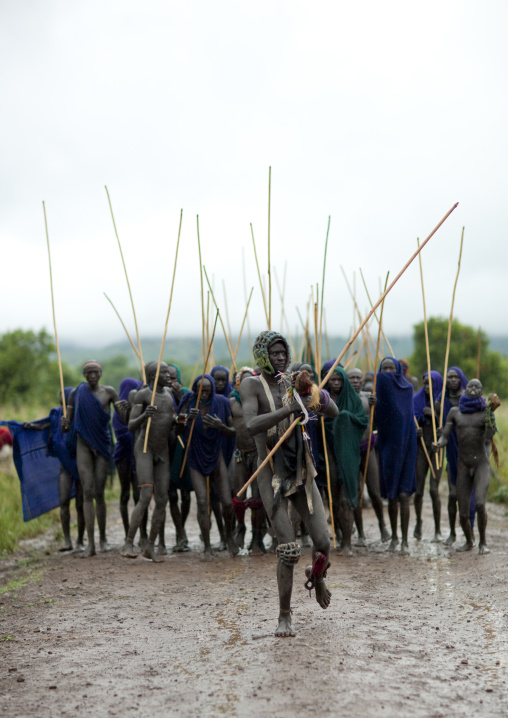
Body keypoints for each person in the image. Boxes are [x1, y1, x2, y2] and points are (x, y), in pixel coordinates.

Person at [240, 331, 338, 637]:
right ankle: (284, 615)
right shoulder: (251, 384)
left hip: (301, 468)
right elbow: (251, 424)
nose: (281, 358)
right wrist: (288, 410)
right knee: (288, 550)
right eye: (275, 353)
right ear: (261, 356)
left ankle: (317, 576)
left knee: (322, 543)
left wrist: (312, 393)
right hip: (271, 473)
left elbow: (332, 412)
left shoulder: (292, 382)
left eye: (284, 352)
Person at [62, 361, 129, 557]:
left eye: (95, 372)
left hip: (102, 446)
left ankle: (103, 539)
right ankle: (90, 544)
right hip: (83, 445)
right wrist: (64, 422)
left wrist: (127, 408)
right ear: (84, 375)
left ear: (101, 373)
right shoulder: (76, 393)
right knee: (87, 492)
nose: (92, 375)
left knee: (99, 492)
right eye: (88, 372)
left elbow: (125, 419)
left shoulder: (109, 392)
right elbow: (68, 425)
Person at [433, 379, 499, 555]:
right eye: (471, 386)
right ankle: (469, 541)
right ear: (465, 389)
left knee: (479, 503)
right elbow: (445, 436)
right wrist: (438, 444)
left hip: (480, 464)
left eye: (478, 386)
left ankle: (483, 543)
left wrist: (491, 415)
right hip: (462, 463)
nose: (474, 389)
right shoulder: (455, 412)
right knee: (462, 512)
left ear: (481, 391)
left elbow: (489, 435)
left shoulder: (484, 413)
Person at [177, 374, 237, 559]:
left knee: (227, 502)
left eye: (207, 391)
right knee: (202, 502)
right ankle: (207, 545)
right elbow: (177, 430)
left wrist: (221, 426)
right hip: (195, 455)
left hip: (216, 454)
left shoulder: (222, 402)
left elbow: (233, 431)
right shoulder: (189, 401)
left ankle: (229, 537)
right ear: (195, 390)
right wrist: (184, 420)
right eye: (200, 391)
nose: (203, 395)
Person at [120, 362, 175, 562]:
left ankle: (150, 546)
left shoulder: (169, 395)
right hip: (145, 449)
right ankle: (128, 542)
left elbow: (170, 419)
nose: (169, 375)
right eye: (164, 373)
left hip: (162, 451)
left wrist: (180, 421)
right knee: (145, 495)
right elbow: (131, 425)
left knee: (162, 500)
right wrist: (145, 415)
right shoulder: (142, 395)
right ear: (152, 375)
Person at [25, 387, 85, 552]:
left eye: (64, 397)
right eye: (61, 397)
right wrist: (29, 426)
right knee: (63, 501)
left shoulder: (79, 414)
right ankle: (67, 541)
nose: (61, 400)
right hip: (64, 467)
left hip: (80, 465)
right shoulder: (56, 413)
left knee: (81, 505)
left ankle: (80, 540)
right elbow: (44, 424)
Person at [320, 361, 368, 555]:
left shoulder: (353, 399)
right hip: (329, 451)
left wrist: (344, 416)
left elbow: (363, 421)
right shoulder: (323, 399)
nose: (337, 383)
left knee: (346, 497)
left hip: (347, 452)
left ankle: (348, 543)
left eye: (340, 379)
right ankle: (339, 537)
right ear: (328, 381)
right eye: (333, 379)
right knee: (333, 498)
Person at [375, 357, 417, 555]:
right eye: (384, 368)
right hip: (388, 449)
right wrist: (373, 405)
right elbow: (376, 423)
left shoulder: (407, 389)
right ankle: (394, 537)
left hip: (407, 448)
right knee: (391, 496)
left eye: (392, 368)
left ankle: (405, 541)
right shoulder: (378, 391)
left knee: (403, 494)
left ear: (399, 370)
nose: (388, 372)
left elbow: (407, 417)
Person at [347, 367, 390, 543]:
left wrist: (375, 405)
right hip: (351, 451)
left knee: (374, 491)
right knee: (356, 492)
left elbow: (379, 419)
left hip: (368, 449)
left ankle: (382, 526)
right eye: (352, 378)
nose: (356, 381)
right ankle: (361, 533)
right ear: (346, 380)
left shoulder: (368, 398)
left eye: (358, 377)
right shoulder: (342, 399)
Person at [435, 367, 474, 546]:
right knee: (452, 495)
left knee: (469, 496)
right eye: (449, 377)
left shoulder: (469, 399)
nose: (451, 380)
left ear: (461, 379)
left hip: (469, 451)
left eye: (455, 377)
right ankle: (452, 532)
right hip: (451, 451)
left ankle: (471, 532)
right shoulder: (441, 400)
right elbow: (441, 422)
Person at [157, 363, 191, 553]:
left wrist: (179, 397)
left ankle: (182, 527)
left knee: (185, 494)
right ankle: (180, 532)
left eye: (173, 377)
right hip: (165, 448)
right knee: (171, 494)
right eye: (166, 377)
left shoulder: (184, 392)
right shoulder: (159, 394)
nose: (170, 380)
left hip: (183, 448)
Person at [230, 366, 265, 553]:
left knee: (258, 497)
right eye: (241, 381)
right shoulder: (231, 403)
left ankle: (257, 537)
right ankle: (240, 527)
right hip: (239, 454)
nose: (244, 385)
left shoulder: (259, 401)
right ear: (237, 383)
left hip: (257, 453)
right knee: (239, 495)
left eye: (248, 381)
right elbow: (229, 429)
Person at [113, 377, 147, 546]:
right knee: (125, 494)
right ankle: (127, 532)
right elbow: (124, 434)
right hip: (123, 457)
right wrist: (127, 417)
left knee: (138, 495)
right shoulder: (118, 411)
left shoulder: (141, 410)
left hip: (138, 456)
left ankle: (142, 534)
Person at [413, 371, 444, 541]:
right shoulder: (416, 400)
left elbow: (448, 425)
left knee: (433, 490)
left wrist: (434, 415)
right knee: (418, 491)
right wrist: (415, 430)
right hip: (421, 448)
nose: (427, 388)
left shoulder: (443, 401)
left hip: (437, 449)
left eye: (430, 384)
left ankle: (438, 530)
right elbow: (411, 419)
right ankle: (418, 521)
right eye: (425, 384)